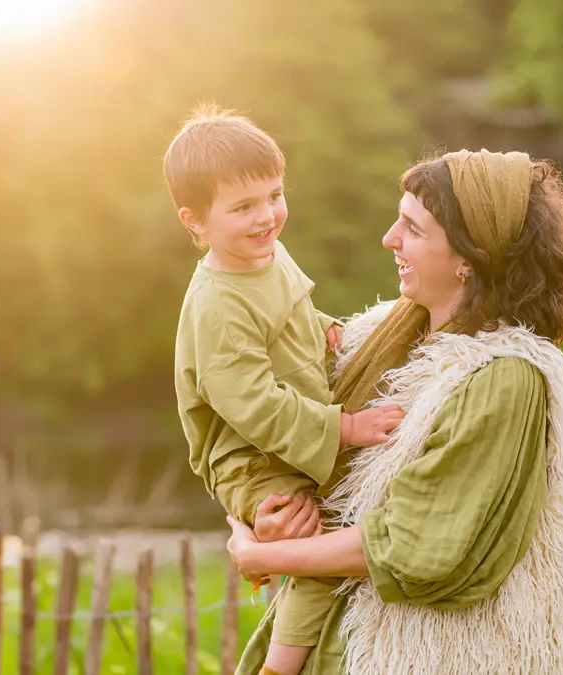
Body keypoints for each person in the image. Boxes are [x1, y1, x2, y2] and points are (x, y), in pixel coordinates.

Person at [226, 149, 563, 674]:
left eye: (413, 227)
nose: (389, 238)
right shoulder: (375, 338)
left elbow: (414, 541)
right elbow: (274, 432)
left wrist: (264, 558)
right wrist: (269, 517)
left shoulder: (503, 378)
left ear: (469, 257)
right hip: (342, 646)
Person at [164, 105, 404, 675]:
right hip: (246, 453)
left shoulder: (264, 251)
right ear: (194, 221)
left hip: (288, 429)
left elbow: (290, 309)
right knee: (318, 535)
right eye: (243, 207)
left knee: (326, 529)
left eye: (273, 195)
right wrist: (344, 428)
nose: (266, 216)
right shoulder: (218, 304)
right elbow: (252, 405)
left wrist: (324, 327)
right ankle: (280, 665)